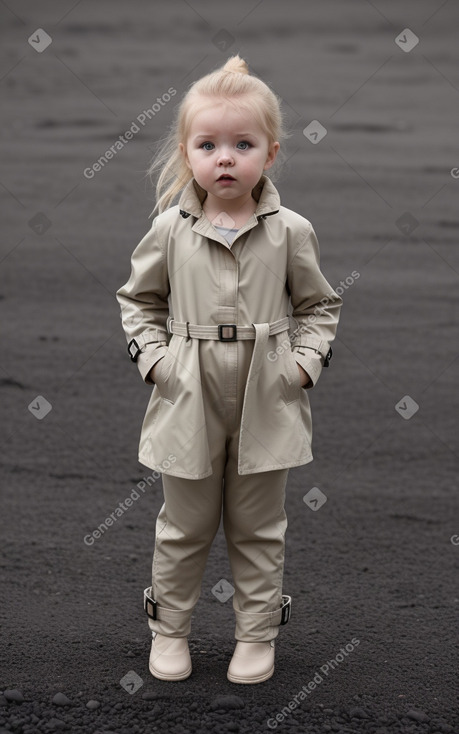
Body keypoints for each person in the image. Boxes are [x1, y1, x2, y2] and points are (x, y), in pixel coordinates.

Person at [116, 54, 342, 685]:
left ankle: (256, 635)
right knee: (183, 525)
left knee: (259, 526)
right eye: (208, 144)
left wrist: (302, 366)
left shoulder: (291, 231)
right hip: (187, 388)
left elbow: (320, 304)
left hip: (267, 390)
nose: (224, 158)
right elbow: (137, 300)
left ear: (269, 154)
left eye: (242, 145)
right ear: (187, 152)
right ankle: (170, 631)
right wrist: (158, 364)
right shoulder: (169, 229)